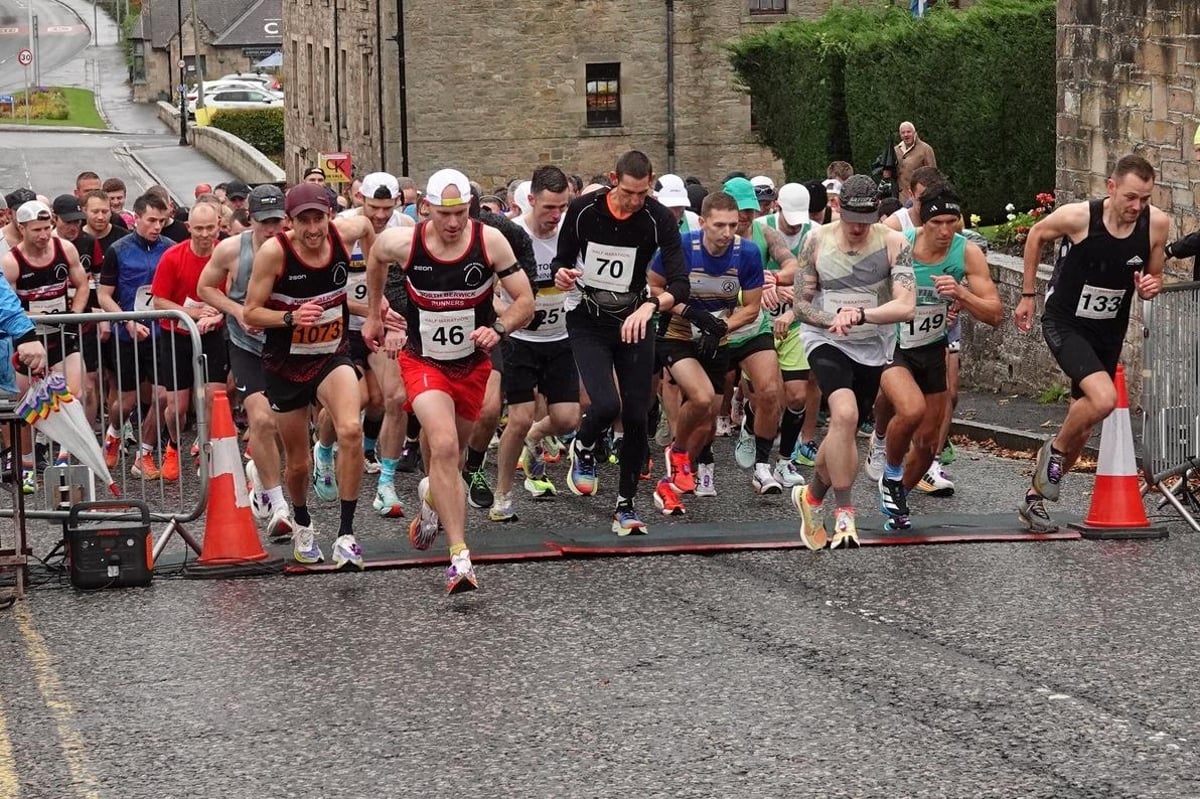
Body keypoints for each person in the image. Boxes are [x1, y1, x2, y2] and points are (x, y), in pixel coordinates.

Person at [362, 168, 533, 593]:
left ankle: (431, 501)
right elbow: (376, 257)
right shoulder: (405, 242)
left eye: (460, 213)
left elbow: (526, 300)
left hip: (471, 362)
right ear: (425, 209)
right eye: (443, 214)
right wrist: (373, 311)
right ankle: (459, 557)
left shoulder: (489, 242)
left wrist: (501, 328)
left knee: (451, 463)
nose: (453, 222)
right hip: (423, 360)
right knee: (442, 444)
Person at [1014, 154, 1167, 532]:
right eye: (1131, 197)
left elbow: (1155, 277)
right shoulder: (1079, 217)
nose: (1137, 207)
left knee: (1082, 426)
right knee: (1104, 399)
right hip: (1064, 322)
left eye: (1145, 199)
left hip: (1107, 332)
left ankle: (1034, 500)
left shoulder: (1156, 225)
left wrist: (1151, 286)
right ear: (1111, 187)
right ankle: (1053, 452)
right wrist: (1028, 294)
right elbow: (1036, 235)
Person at [549, 151, 689, 534]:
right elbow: (560, 261)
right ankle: (584, 444)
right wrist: (562, 274)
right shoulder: (582, 210)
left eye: (642, 193)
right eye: (628, 192)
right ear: (614, 179)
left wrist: (650, 306)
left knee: (636, 414)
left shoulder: (657, 217)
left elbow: (680, 283)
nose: (634, 202)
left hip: (633, 317)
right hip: (588, 319)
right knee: (606, 403)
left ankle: (625, 505)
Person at [243, 184, 376, 569]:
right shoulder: (274, 253)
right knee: (298, 463)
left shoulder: (344, 233)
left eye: (319, 218)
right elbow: (250, 312)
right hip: (286, 362)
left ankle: (347, 535)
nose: (313, 228)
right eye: (304, 221)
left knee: (350, 429)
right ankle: (301, 520)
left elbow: (368, 228)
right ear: (290, 221)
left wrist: (377, 297)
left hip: (332, 354)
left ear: (330, 217)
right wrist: (289, 317)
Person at [789, 174, 916, 549]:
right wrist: (834, 319)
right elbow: (800, 304)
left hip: (872, 344)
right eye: (851, 219)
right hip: (825, 339)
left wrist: (860, 316)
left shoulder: (895, 244)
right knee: (842, 414)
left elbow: (906, 306)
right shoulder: (816, 240)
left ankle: (812, 498)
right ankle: (845, 512)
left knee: (844, 430)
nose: (859, 228)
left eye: (867, 220)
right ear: (836, 209)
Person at [864, 184, 1002, 529]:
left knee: (927, 445)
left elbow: (995, 313)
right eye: (937, 222)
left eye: (951, 221)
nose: (944, 230)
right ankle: (891, 472)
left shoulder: (965, 252)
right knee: (910, 409)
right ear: (923, 221)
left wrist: (961, 294)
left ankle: (898, 499)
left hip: (931, 347)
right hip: (891, 344)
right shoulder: (901, 244)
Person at [650, 190, 765, 513]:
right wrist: (687, 311)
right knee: (700, 397)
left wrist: (721, 329)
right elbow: (655, 286)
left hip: (717, 339)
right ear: (702, 222)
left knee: (708, 422)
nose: (727, 233)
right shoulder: (682, 246)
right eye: (719, 225)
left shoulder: (748, 253)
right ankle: (678, 453)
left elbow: (752, 308)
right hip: (677, 335)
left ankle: (670, 481)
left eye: (732, 225)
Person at [197, 184, 292, 540]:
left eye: (278, 221)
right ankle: (277, 503)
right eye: (265, 222)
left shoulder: (295, 245)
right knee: (262, 420)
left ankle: (259, 474)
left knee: (287, 427)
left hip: (287, 346)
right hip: (247, 345)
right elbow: (206, 287)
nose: (272, 229)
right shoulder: (232, 249)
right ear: (249, 219)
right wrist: (239, 311)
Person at [490, 165, 577, 521]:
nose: (555, 216)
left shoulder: (571, 233)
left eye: (562, 207)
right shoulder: (511, 236)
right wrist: (509, 318)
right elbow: (488, 293)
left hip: (560, 338)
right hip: (520, 340)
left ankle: (535, 439)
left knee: (568, 418)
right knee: (520, 417)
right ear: (530, 201)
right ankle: (503, 492)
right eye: (548, 208)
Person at [337, 172, 414, 519]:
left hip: (385, 326)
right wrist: (365, 310)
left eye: (387, 208)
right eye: (373, 208)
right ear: (359, 201)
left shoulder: (407, 228)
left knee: (391, 397)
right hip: (342, 326)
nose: (381, 216)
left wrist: (396, 318)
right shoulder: (343, 227)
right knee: (356, 400)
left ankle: (385, 480)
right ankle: (324, 448)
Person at [2, 200, 90, 489]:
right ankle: (26, 462)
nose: (43, 235)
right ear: (21, 227)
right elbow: (8, 304)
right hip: (28, 339)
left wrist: (74, 315)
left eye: (47, 228)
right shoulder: (11, 261)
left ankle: (64, 458)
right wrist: (27, 326)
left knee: (73, 395)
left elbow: (82, 283)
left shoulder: (64, 249)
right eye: (37, 230)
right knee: (27, 404)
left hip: (62, 335)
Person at [97, 192, 176, 477]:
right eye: (151, 220)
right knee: (127, 402)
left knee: (163, 397)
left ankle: (144, 454)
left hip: (161, 333)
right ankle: (115, 432)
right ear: (137, 219)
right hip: (128, 335)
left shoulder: (170, 248)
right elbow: (104, 295)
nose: (157, 226)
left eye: (161, 221)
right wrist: (127, 321)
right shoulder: (118, 250)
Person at [149, 201, 228, 480]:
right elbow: (159, 300)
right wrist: (193, 313)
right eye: (199, 229)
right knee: (177, 409)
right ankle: (173, 444)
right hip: (176, 334)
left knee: (213, 398)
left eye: (210, 228)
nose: (205, 235)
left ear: (219, 225)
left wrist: (217, 314)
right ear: (188, 228)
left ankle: (206, 448)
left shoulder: (224, 254)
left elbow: (232, 295)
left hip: (213, 333)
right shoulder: (173, 257)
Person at [894, 122, 937, 204]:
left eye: (908, 132)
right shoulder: (895, 150)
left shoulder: (925, 149)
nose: (906, 135)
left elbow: (932, 174)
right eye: (903, 133)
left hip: (918, 197)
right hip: (899, 198)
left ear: (914, 133)